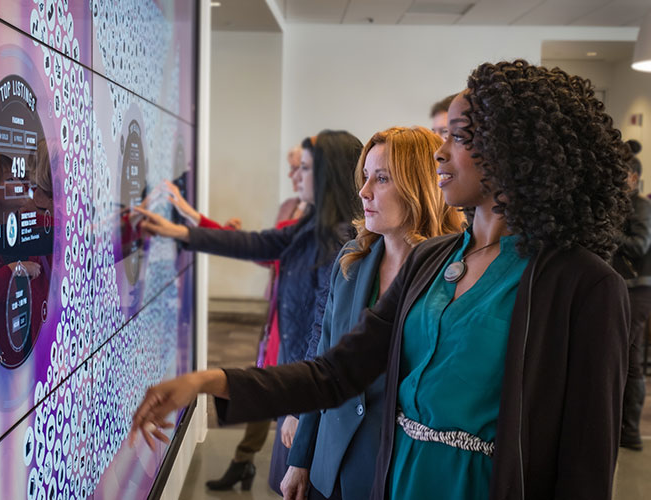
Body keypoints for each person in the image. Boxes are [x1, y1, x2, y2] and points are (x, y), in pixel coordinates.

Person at [131, 60, 633, 499]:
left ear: (514, 153)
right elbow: (335, 372)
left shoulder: (582, 286)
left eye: (458, 137)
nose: (440, 153)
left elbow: (584, 467)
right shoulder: (432, 261)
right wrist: (208, 380)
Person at [134, 130, 363, 493]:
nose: (296, 177)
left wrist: (300, 411)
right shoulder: (313, 226)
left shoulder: (337, 239)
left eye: (304, 168)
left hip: (306, 395)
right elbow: (257, 242)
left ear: (326, 174)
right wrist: (181, 231)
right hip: (299, 388)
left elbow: (322, 334)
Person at [281, 126, 464, 500]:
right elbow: (325, 362)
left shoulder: (456, 272)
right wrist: (300, 458)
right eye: (365, 177)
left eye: (381, 179)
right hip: (332, 464)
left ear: (419, 187)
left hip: (403, 470)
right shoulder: (353, 260)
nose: (364, 192)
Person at [613, 139, 651, 451]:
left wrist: (609, 232)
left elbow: (640, 245)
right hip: (626, 288)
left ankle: (630, 432)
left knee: (632, 359)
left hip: (638, 290)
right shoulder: (625, 205)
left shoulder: (641, 206)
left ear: (633, 178)